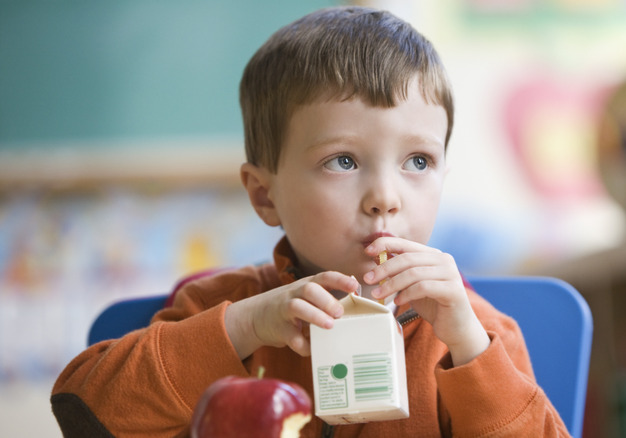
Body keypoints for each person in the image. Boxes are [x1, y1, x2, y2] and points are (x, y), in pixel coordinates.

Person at [51, 6, 571, 437]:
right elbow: (83, 409)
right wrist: (243, 328)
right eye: (343, 161)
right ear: (265, 194)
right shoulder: (217, 310)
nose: (385, 198)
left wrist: (470, 350)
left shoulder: (478, 334)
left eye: (418, 161)